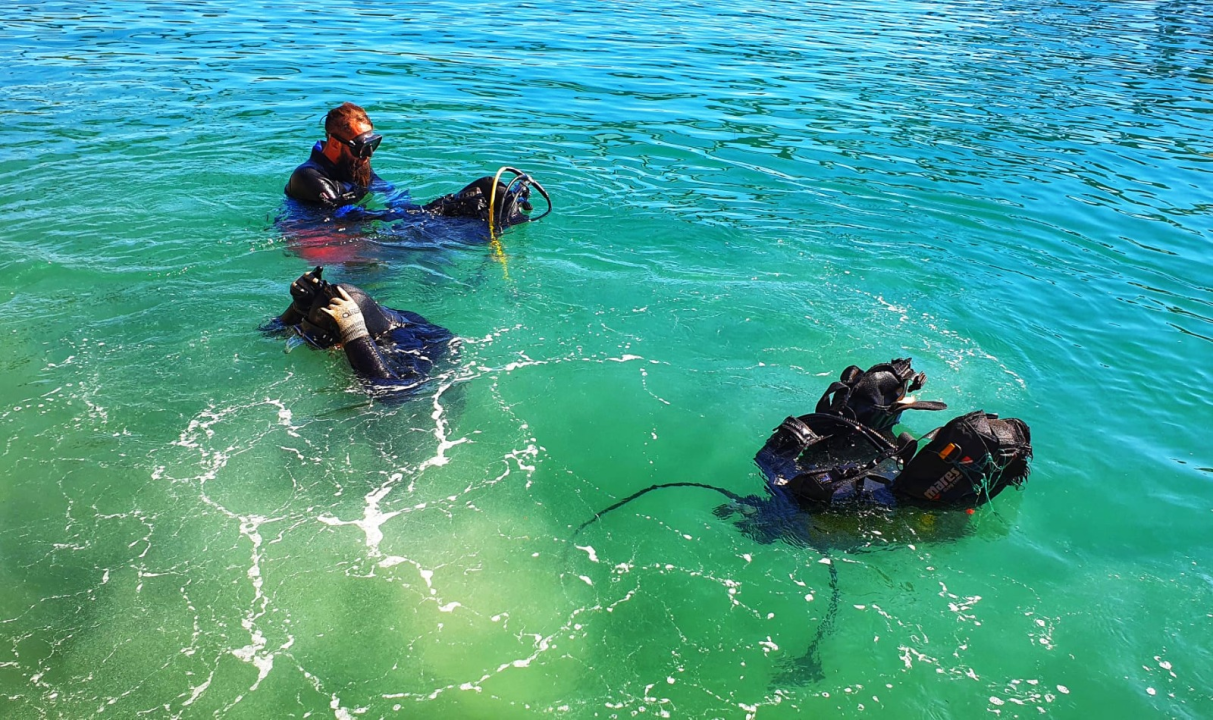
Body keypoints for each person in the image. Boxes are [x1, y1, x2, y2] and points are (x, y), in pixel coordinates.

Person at [284, 102, 547, 228]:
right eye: (361, 148)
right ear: (334, 143)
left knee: (480, 194)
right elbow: (343, 216)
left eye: (372, 146)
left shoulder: (355, 162)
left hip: (368, 225)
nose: (368, 155)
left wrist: (428, 208)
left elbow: (388, 192)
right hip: (323, 236)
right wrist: (415, 216)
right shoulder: (309, 177)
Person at [264, 266, 454, 393]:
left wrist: (354, 334)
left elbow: (395, 393)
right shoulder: (373, 317)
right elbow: (268, 334)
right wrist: (299, 308)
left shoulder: (411, 346)